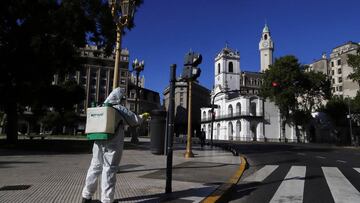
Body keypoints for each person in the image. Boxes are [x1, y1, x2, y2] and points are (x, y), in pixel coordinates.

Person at [82, 88, 143, 203]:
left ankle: (86, 196)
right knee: (109, 169)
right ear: (119, 98)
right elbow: (135, 121)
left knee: (94, 167)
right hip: (112, 144)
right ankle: (107, 200)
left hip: (98, 141)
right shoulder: (118, 108)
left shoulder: (100, 106)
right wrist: (142, 117)